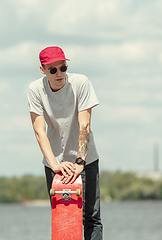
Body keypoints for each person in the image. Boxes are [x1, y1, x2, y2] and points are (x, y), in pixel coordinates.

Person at [27, 46, 103, 240]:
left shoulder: (81, 83)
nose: (59, 73)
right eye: (53, 70)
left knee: (91, 218)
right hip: (55, 162)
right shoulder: (35, 89)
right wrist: (54, 165)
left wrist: (80, 162)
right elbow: (39, 131)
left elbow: (84, 123)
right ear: (42, 70)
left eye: (63, 68)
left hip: (86, 159)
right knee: (63, 216)